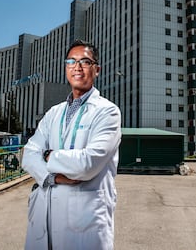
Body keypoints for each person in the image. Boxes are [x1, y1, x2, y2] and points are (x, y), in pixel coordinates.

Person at [22, 40, 122, 250]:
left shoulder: (107, 112)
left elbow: (87, 164)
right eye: (71, 61)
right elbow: (29, 154)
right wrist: (51, 177)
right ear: (66, 68)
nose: (77, 67)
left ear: (97, 70)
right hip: (44, 219)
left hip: (84, 225)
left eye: (85, 62)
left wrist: (49, 155)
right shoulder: (54, 113)